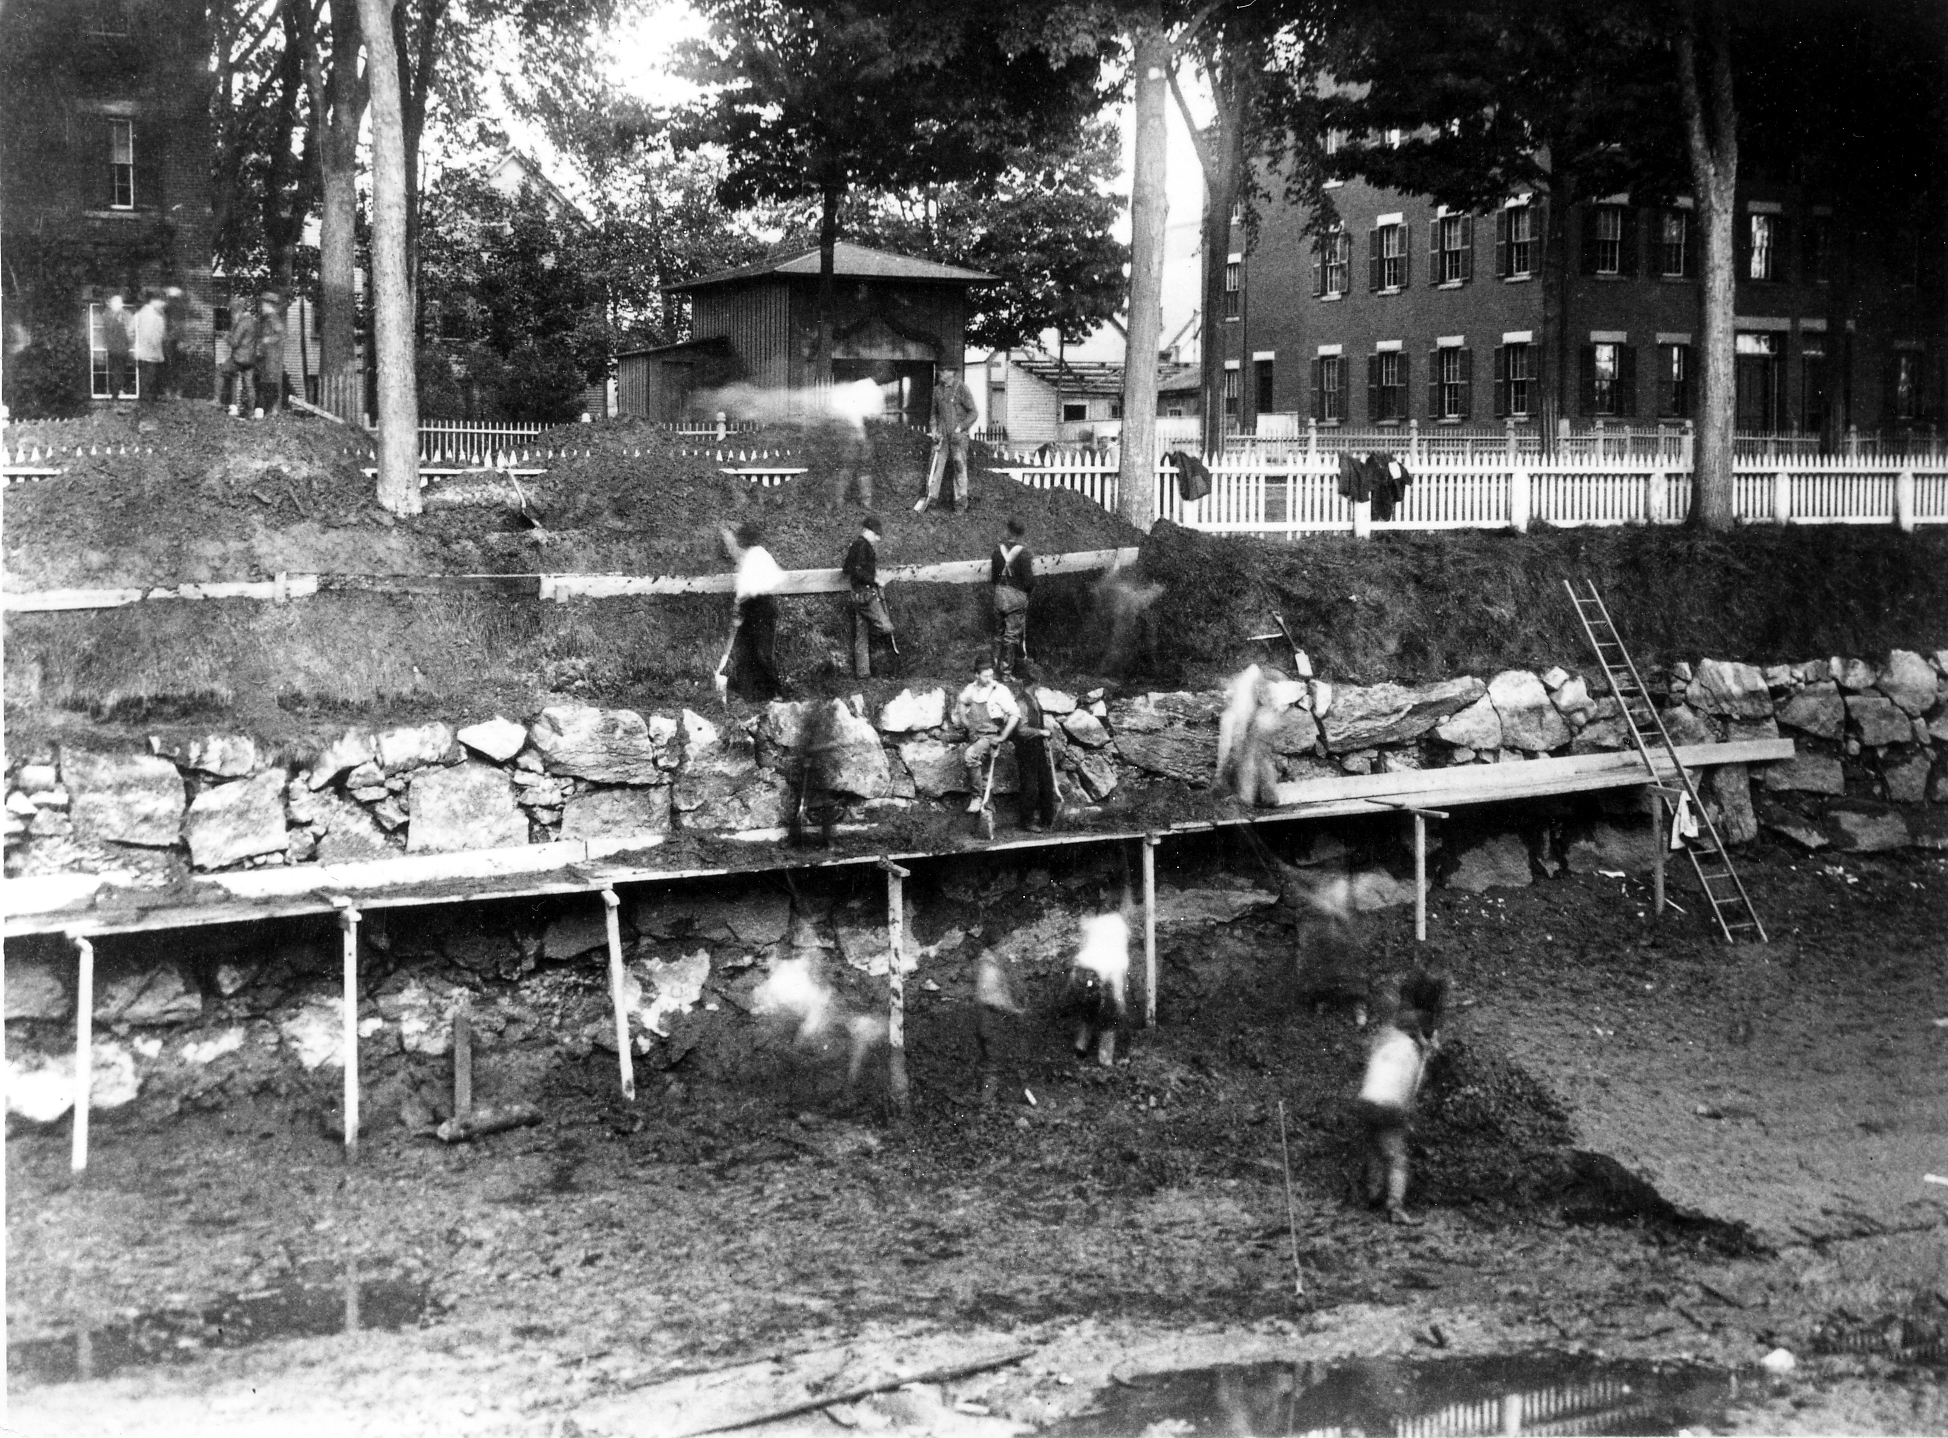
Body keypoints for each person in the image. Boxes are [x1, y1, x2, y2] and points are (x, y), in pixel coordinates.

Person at [1354, 983, 1437, 1225]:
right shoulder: (1411, 1050)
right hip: (1389, 1104)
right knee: (1397, 1156)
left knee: (1374, 1147)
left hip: (1367, 1100)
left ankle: (1372, 1193)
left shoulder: (1383, 1040)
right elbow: (1412, 1087)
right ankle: (1395, 1206)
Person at [716, 522, 785, 702]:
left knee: (762, 652)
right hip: (754, 607)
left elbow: (747, 588)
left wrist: (739, 610)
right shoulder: (750, 555)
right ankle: (748, 692)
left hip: (761, 607)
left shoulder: (757, 556)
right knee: (747, 651)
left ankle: (775, 692)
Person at [1062, 912, 1130, 1067]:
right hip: (1101, 976)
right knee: (1110, 1020)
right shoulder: (1118, 926)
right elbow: (1116, 965)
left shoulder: (1095, 921)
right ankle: (1105, 1061)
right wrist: (1119, 996)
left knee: (1089, 1013)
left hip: (1083, 973)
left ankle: (1080, 1048)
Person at [955, 658, 1019, 813]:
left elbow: (1015, 714)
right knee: (983, 772)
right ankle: (988, 807)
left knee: (971, 756)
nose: (989, 679)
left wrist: (1002, 737)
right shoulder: (970, 689)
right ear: (976, 675)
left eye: (991, 675)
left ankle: (977, 798)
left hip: (990, 735)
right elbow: (961, 702)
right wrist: (965, 722)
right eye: (985, 676)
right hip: (974, 735)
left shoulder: (1000, 690)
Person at [841, 513, 897, 678]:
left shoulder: (856, 545)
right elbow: (856, 571)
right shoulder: (862, 546)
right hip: (865, 594)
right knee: (886, 627)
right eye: (876, 535)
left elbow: (847, 568)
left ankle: (863, 673)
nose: (878, 539)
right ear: (868, 531)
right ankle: (879, 662)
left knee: (861, 635)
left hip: (858, 594)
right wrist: (875, 580)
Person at [924, 366, 978, 512]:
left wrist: (961, 427)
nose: (940, 373)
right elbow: (933, 414)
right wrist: (934, 430)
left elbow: (973, 413)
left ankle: (960, 505)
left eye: (943, 371)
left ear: (951, 372)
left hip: (958, 438)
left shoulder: (962, 389)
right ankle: (930, 502)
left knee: (959, 469)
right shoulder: (937, 391)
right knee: (935, 468)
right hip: (941, 437)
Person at [990, 517, 1035, 679]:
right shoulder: (1024, 554)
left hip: (999, 595)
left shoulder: (997, 551)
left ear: (1007, 530)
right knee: (1011, 636)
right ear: (1021, 534)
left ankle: (993, 671)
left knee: (998, 634)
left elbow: (994, 577)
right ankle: (1006, 674)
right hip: (1016, 598)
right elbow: (1029, 582)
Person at [1014, 685, 1060, 833]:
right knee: (1030, 786)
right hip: (1025, 748)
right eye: (1036, 682)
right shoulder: (1021, 702)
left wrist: (1046, 733)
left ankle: (1048, 819)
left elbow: (1037, 721)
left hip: (1037, 747)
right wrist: (1041, 732)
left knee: (1046, 783)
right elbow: (1021, 730)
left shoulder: (1034, 700)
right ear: (1031, 683)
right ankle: (1027, 821)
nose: (1039, 685)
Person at [129, 292, 169, 410]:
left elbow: (130, 331)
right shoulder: (157, 317)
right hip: (152, 354)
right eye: (162, 303)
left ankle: (143, 406)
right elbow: (158, 337)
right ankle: (147, 409)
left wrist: (137, 343)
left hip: (141, 353)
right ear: (155, 301)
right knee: (150, 382)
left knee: (143, 381)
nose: (163, 306)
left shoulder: (139, 313)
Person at [221, 302, 260, 417]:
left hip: (239, 358)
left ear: (240, 311)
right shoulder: (255, 322)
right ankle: (251, 412)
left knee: (222, 372)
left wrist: (226, 336)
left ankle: (223, 403)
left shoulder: (243, 322)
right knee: (249, 385)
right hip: (251, 359)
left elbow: (234, 342)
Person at [254, 292, 286, 415]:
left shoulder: (273, 318)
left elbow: (281, 334)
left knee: (269, 384)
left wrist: (267, 340)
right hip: (264, 357)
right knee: (263, 383)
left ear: (269, 305)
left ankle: (270, 412)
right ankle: (266, 412)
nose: (261, 307)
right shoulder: (265, 320)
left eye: (263, 304)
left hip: (271, 357)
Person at [101, 295, 134, 402]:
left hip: (119, 348)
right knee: (117, 372)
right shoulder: (112, 315)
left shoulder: (111, 315)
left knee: (118, 372)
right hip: (117, 348)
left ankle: (115, 393)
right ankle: (115, 394)